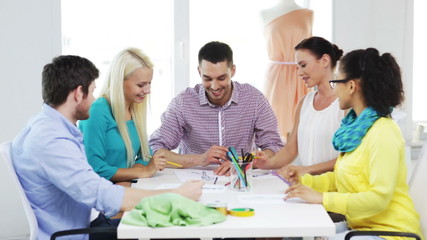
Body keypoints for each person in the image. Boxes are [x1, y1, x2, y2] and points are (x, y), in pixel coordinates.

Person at [11, 55, 204, 240]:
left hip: (87, 220)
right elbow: (102, 195)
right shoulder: (51, 140)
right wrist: (176, 195)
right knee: (171, 227)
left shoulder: (45, 126)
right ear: (79, 93)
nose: (95, 99)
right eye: (92, 91)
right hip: (79, 233)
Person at [282, 48, 423, 239]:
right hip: (362, 229)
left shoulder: (384, 132)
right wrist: (302, 181)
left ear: (350, 86)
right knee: (298, 233)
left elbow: (378, 199)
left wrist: (322, 198)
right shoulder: (355, 130)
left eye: (336, 81)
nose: (334, 88)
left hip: (391, 233)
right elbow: (340, 179)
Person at [149, 41, 283, 175]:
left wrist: (243, 163)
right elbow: (156, 150)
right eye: (207, 78)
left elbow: (274, 146)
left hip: (240, 180)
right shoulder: (183, 103)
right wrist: (200, 159)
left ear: (233, 71)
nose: (214, 86)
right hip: (194, 181)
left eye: (221, 78)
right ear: (199, 71)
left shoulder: (254, 99)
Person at [255, 36, 346, 177]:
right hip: (306, 185)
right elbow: (291, 149)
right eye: (297, 67)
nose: (299, 73)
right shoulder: (305, 102)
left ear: (325, 61)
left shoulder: (346, 104)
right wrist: (267, 163)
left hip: (335, 187)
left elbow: (349, 158)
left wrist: (307, 169)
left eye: (303, 65)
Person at [79, 48, 166, 183]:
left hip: (123, 186)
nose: (148, 90)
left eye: (149, 83)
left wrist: (136, 172)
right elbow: (95, 168)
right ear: (119, 81)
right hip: (101, 193)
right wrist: (141, 172)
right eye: (141, 85)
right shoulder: (97, 111)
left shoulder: (135, 108)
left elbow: (146, 154)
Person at [260, 0, 313, 139]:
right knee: (276, 124)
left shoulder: (308, 14)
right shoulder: (264, 14)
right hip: (277, 76)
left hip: (301, 74)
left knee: (301, 122)